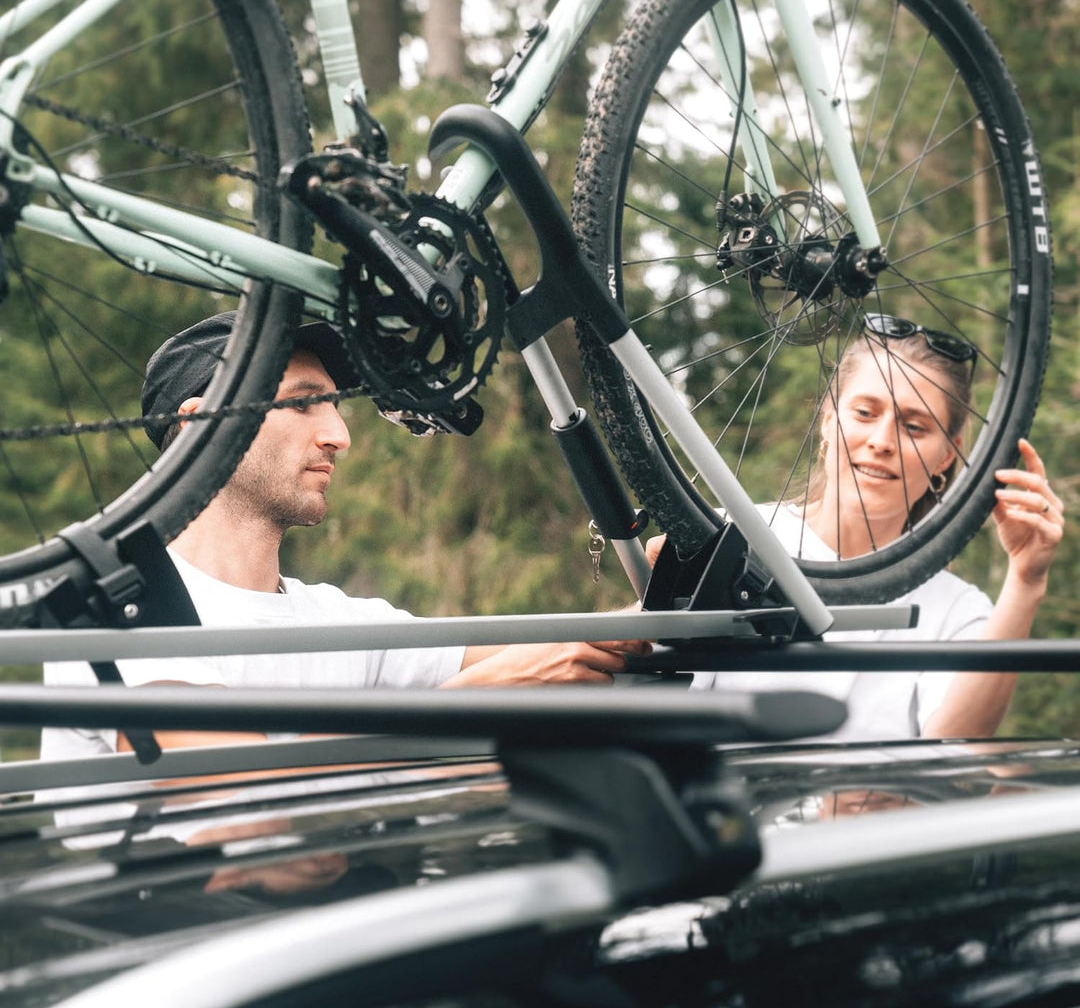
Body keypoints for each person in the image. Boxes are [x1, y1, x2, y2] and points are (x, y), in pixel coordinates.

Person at [41, 312, 649, 762]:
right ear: (200, 425)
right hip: (174, 929)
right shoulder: (122, 599)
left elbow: (547, 656)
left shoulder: (336, 618)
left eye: (335, 407)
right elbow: (228, 795)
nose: (339, 434)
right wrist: (474, 699)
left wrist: (650, 605)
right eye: (305, 405)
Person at [679, 314, 1064, 741]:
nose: (882, 441)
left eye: (913, 427)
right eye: (864, 413)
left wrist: (1027, 581)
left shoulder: (955, 609)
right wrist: (605, 651)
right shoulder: (731, 537)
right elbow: (659, 690)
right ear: (828, 421)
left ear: (946, 457)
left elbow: (959, 753)